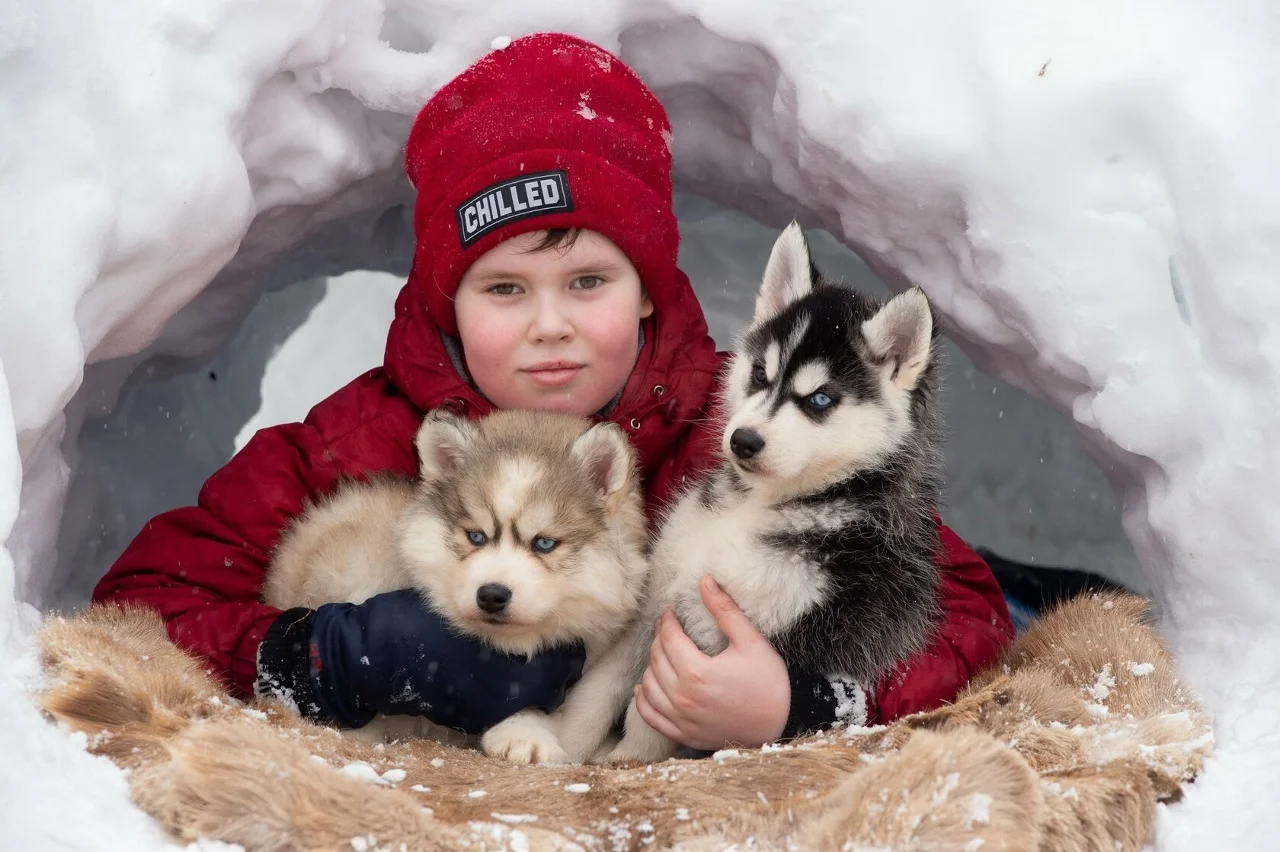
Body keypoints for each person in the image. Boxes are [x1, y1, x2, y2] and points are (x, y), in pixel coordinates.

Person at [93, 32, 1013, 748]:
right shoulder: (365, 437)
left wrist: (800, 702)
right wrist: (326, 656)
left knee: (1020, 595)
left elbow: (959, 614)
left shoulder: (725, 432)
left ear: (648, 285)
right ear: (447, 304)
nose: (550, 326)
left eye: (587, 283)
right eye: (503, 289)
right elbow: (145, 599)